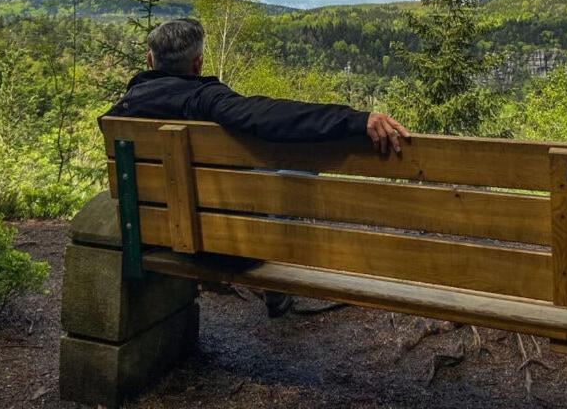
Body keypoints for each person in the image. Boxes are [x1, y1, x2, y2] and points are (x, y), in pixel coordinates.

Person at [103, 17, 411, 317]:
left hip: (155, 240)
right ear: (197, 64)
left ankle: (277, 286)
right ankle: (278, 287)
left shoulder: (122, 112)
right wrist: (356, 120)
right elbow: (273, 116)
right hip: (227, 249)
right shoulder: (204, 99)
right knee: (299, 170)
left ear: (149, 60)